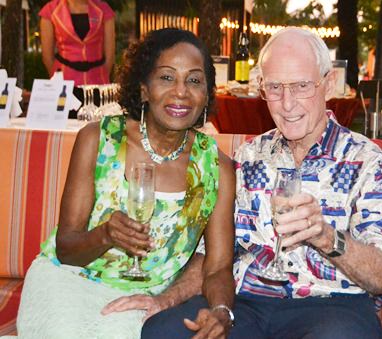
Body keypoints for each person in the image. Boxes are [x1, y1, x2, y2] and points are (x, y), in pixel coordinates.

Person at [140, 27, 382, 339]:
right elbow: (212, 255)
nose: (287, 103)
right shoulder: (249, 156)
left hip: (333, 305)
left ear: (327, 84)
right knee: (163, 332)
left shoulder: (367, 161)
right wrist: (164, 300)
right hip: (246, 304)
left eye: (301, 86)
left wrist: (325, 236)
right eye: (275, 88)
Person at [16, 28, 235, 339]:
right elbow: (66, 249)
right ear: (144, 88)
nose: (182, 92)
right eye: (167, 78)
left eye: (195, 80)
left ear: (207, 94)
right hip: (69, 280)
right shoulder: (98, 139)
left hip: (142, 297)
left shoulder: (217, 167)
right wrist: (106, 235)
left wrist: (221, 311)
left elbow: (218, 268)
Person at [39, 0, 115, 85]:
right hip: (63, 82)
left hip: (98, 81)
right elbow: (47, 57)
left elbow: (110, 57)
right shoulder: (50, 10)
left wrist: (100, 75)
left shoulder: (104, 9)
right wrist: (56, 79)